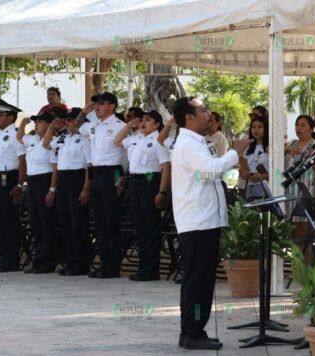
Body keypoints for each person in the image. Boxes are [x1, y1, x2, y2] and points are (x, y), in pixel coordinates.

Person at [171, 96, 250, 350]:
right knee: (198, 280)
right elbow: (209, 171)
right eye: (203, 110)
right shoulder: (188, 144)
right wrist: (235, 152)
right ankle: (193, 333)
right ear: (189, 118)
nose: (208, 114)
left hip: (203, 220)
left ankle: (193, 331)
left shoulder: (195, 141)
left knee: (200, 279)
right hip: (198, 222)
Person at [115, 110, 171, 282]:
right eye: (143, 120)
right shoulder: (136, 137)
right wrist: (128, 126)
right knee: (140, 227)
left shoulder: (158, 140)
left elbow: (166, 167)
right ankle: (143, 267)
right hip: (135, 182)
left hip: (150, 181)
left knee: (150, 227)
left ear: (157, 124)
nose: (143, 123)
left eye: (148, 120)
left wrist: (161, 192)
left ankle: (151, 269)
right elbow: (117, 141)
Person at [80, 92, 127, 279]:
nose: (97, 106)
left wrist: (119, 181)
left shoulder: (120, 126)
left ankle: (112, 265)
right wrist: (86, 109)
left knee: (111, 221)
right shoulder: (93, 125)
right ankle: (103, 262)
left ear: (112, 106)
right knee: (99, 222)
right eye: (96, 103)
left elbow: (124, 159)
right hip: (97, 174)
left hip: (112, 174)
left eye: (101, 103)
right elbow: (76, 125)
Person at [44, 109, 92, 276]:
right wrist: (51, 127)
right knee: (65, 222)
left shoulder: (85, 139)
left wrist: (86, 188)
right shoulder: (64, 137)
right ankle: (69, 260)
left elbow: (89, 165)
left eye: (71, 120)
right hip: (63, 180)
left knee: (77, 222)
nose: (67, 123)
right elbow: (46, 143)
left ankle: (81, 262)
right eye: (67, 120)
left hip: (77, 179)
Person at [0, 99, 26, 273]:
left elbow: (22, 161)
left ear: (10, 117)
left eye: (0, 115)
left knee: (9, 221)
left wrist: (19, 184)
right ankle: (2, 256)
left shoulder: (16, 134)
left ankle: (11, 260)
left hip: (7, 178)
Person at [18, 112, 59, 273]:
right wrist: (23, 124)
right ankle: (38, 260)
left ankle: (48, 261)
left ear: (49, 125)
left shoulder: (53, 142)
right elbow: (19, 137)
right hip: (33, 182)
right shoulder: (33, 139)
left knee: (46, 222)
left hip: (45, 181)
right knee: (35, 223)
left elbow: (55, 169)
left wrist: (52, 189)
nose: (36, 125)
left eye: (40, 122)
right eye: (36, 122)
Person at [284, 114, 315, 257]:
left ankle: (308, 269)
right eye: (297, 125)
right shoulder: (291, 144)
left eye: (303, 125)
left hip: (307, 190)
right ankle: (296, 267)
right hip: (290, 193)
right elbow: (270, 149)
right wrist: (286, 149)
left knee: (305, 233)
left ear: (311, 128)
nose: (299, 128)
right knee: (293, 233)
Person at [238, 115, 269, 200]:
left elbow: (278, 173)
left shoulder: (270, 148)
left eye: (260, 127)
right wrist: (243, 172)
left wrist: (262, 176)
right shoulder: (248, 148)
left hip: (266, 189)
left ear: (266, 128)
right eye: (253, 127)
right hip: (250, 189)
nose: (256, 130)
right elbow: (243, 168)